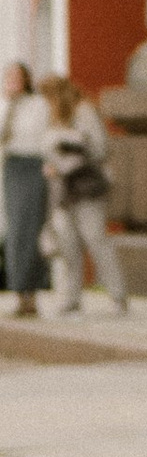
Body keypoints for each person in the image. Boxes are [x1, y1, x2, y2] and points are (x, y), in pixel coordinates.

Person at [41, 77, 125, 317]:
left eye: (49, 98)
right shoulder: (56, 117)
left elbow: (98, 148)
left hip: (87, 186)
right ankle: (72, 298)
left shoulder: (83, 111)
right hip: (64, 190)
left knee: (95, 238)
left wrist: (64, 160)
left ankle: (117, 295)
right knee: (68, 244)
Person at [0, 63, 49, 317]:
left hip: (34, 165)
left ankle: (31, 292)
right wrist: (9, 104)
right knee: (15, 231)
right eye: (8, 77)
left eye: (16, 77)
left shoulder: (38, 104)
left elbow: (39, 135)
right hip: (12, 166)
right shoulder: (4, 105)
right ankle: (20, 292)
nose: (12, 82)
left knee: (29, 230)